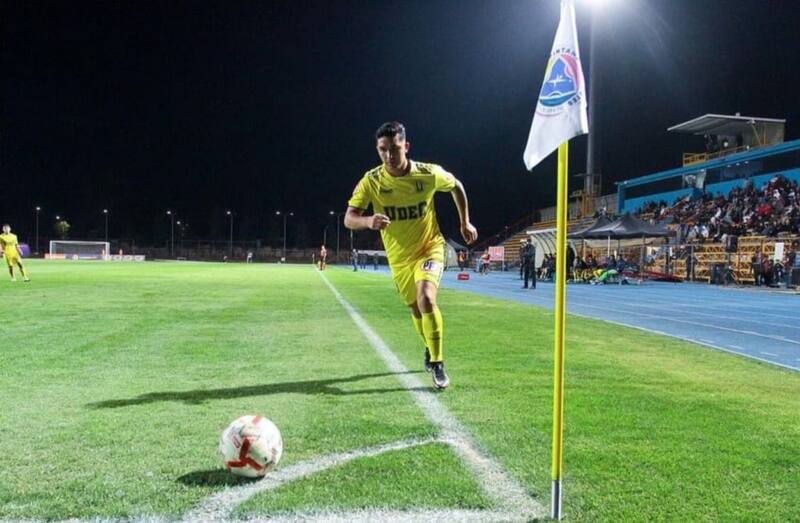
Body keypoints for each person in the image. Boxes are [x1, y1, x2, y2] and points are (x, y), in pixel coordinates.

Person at [344, 121, 477, 389]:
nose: (389, 156)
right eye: (383, 150)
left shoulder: (427, 174)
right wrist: (369, 221)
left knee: (426, 297)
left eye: (394, 149)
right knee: (416, 309)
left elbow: (456, 186)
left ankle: (438, 364)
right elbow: (349, 218)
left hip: (430, 246)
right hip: (399, 259)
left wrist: (465, 222)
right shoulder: (372, 181)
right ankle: (430, 347)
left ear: (406, 145)